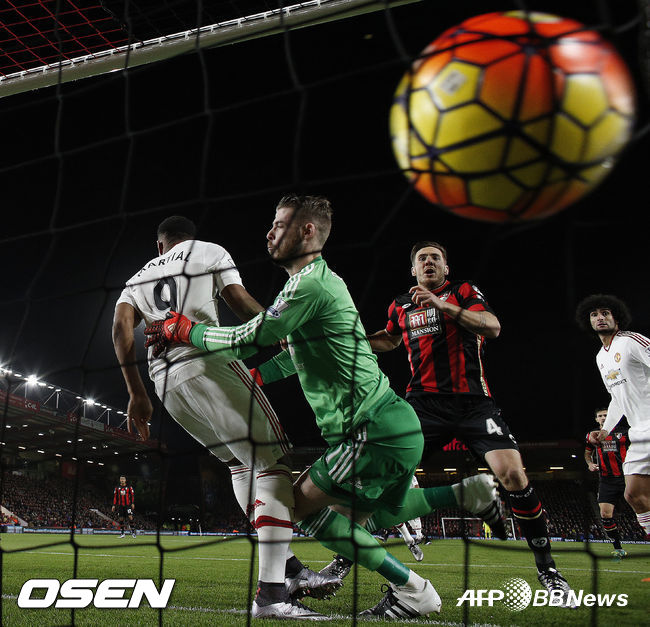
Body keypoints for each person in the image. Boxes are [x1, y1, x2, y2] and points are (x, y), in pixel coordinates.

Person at [143, 195, 506, 620]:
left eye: (279, 225)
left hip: (371, 431)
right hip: (394, 425)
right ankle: (466, 493)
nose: (269, 233)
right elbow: (296, 355)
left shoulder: (309, 285)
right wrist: (254, 379)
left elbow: (249, 338)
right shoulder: (316, 283)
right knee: (374, 515)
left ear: (307, 231)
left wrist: (186, 330)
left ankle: (412, 589)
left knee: (293, 509)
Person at [112, 215, 340, 620]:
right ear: (188, 237)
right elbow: (238, 299)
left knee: (238, 463)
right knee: (274, 463)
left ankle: (289, 570)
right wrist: (279, 327)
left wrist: (136, 394)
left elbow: (120, 330)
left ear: (159, 245)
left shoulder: (136, 278)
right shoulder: (208, 251)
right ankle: (271, 595)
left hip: (166, 384)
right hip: (208, 362)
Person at [361, 241, 574, 607]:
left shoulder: (462, 291)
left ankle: (548, 569)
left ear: (446, 267)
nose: (429, 261)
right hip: (423, 405)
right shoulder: (401, 305)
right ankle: (343, 561)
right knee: (380, 474)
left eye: (436, 257)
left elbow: (492, 327)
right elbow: (389, 339)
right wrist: (351, 342)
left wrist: (442, 305)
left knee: (513, 475)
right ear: (413, 270)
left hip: (474, 404)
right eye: (422, 258)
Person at [576, 294, 650, 539]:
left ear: (616, 317)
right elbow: (616, 398)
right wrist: (606, 430)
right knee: (634, 495)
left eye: (605, 313)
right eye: (594, 314)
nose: (600, 318)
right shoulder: (601, 357)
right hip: (639, 432)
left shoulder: (631, 341)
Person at [584, 406, 629, 557]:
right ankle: (618, 549)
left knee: (641, 508)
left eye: (606, 415)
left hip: (627, 476)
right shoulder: (593, 435)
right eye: (600, 416)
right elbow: (587, 453)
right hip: (606, 480)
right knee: (605, 514)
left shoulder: (625, 432)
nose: (603, 418)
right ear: (596, 419)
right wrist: (589, 463)